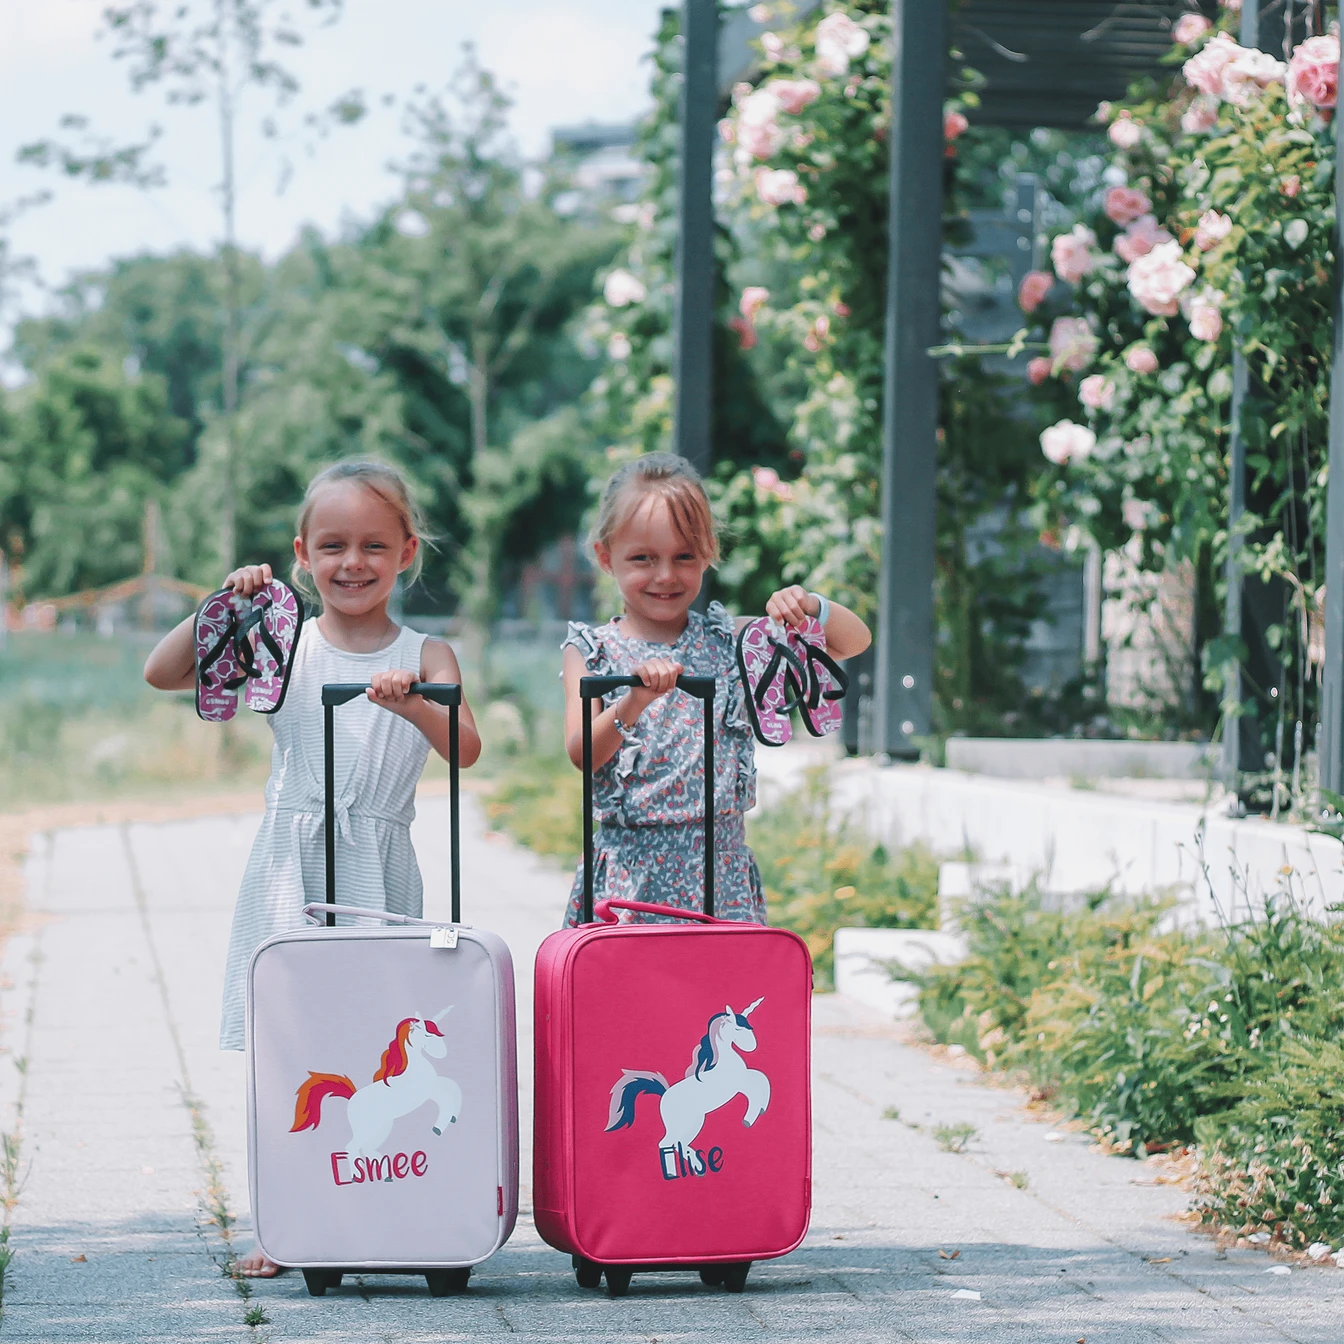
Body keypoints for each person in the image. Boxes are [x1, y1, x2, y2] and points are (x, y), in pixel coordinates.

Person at [143, 460, 480, 1276]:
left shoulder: (428, 653)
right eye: (332, 546)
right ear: (302, 555)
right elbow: (164, 672)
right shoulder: (281, 645)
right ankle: (286, 1220)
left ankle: (384, 1199)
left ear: (407, 552)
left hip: (378, 869)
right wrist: (224, 607)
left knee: (376, 1041)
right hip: (291, 866)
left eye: (374, 545)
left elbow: (466, 747)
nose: (352, 563)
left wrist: (412, 704)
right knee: (288, 1042)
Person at [561, 452, 870, 927]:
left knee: (718, 980)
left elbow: (854, 641)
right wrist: (635, 700)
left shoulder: (735, 641)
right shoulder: (592, 651)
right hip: (628, 880)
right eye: (643, 558)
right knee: (632, 979)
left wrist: (809, 606)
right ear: (606, 557)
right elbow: (582, 753)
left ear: (708, 553)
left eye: (684, 556)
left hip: (718, 877)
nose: (665, 575)